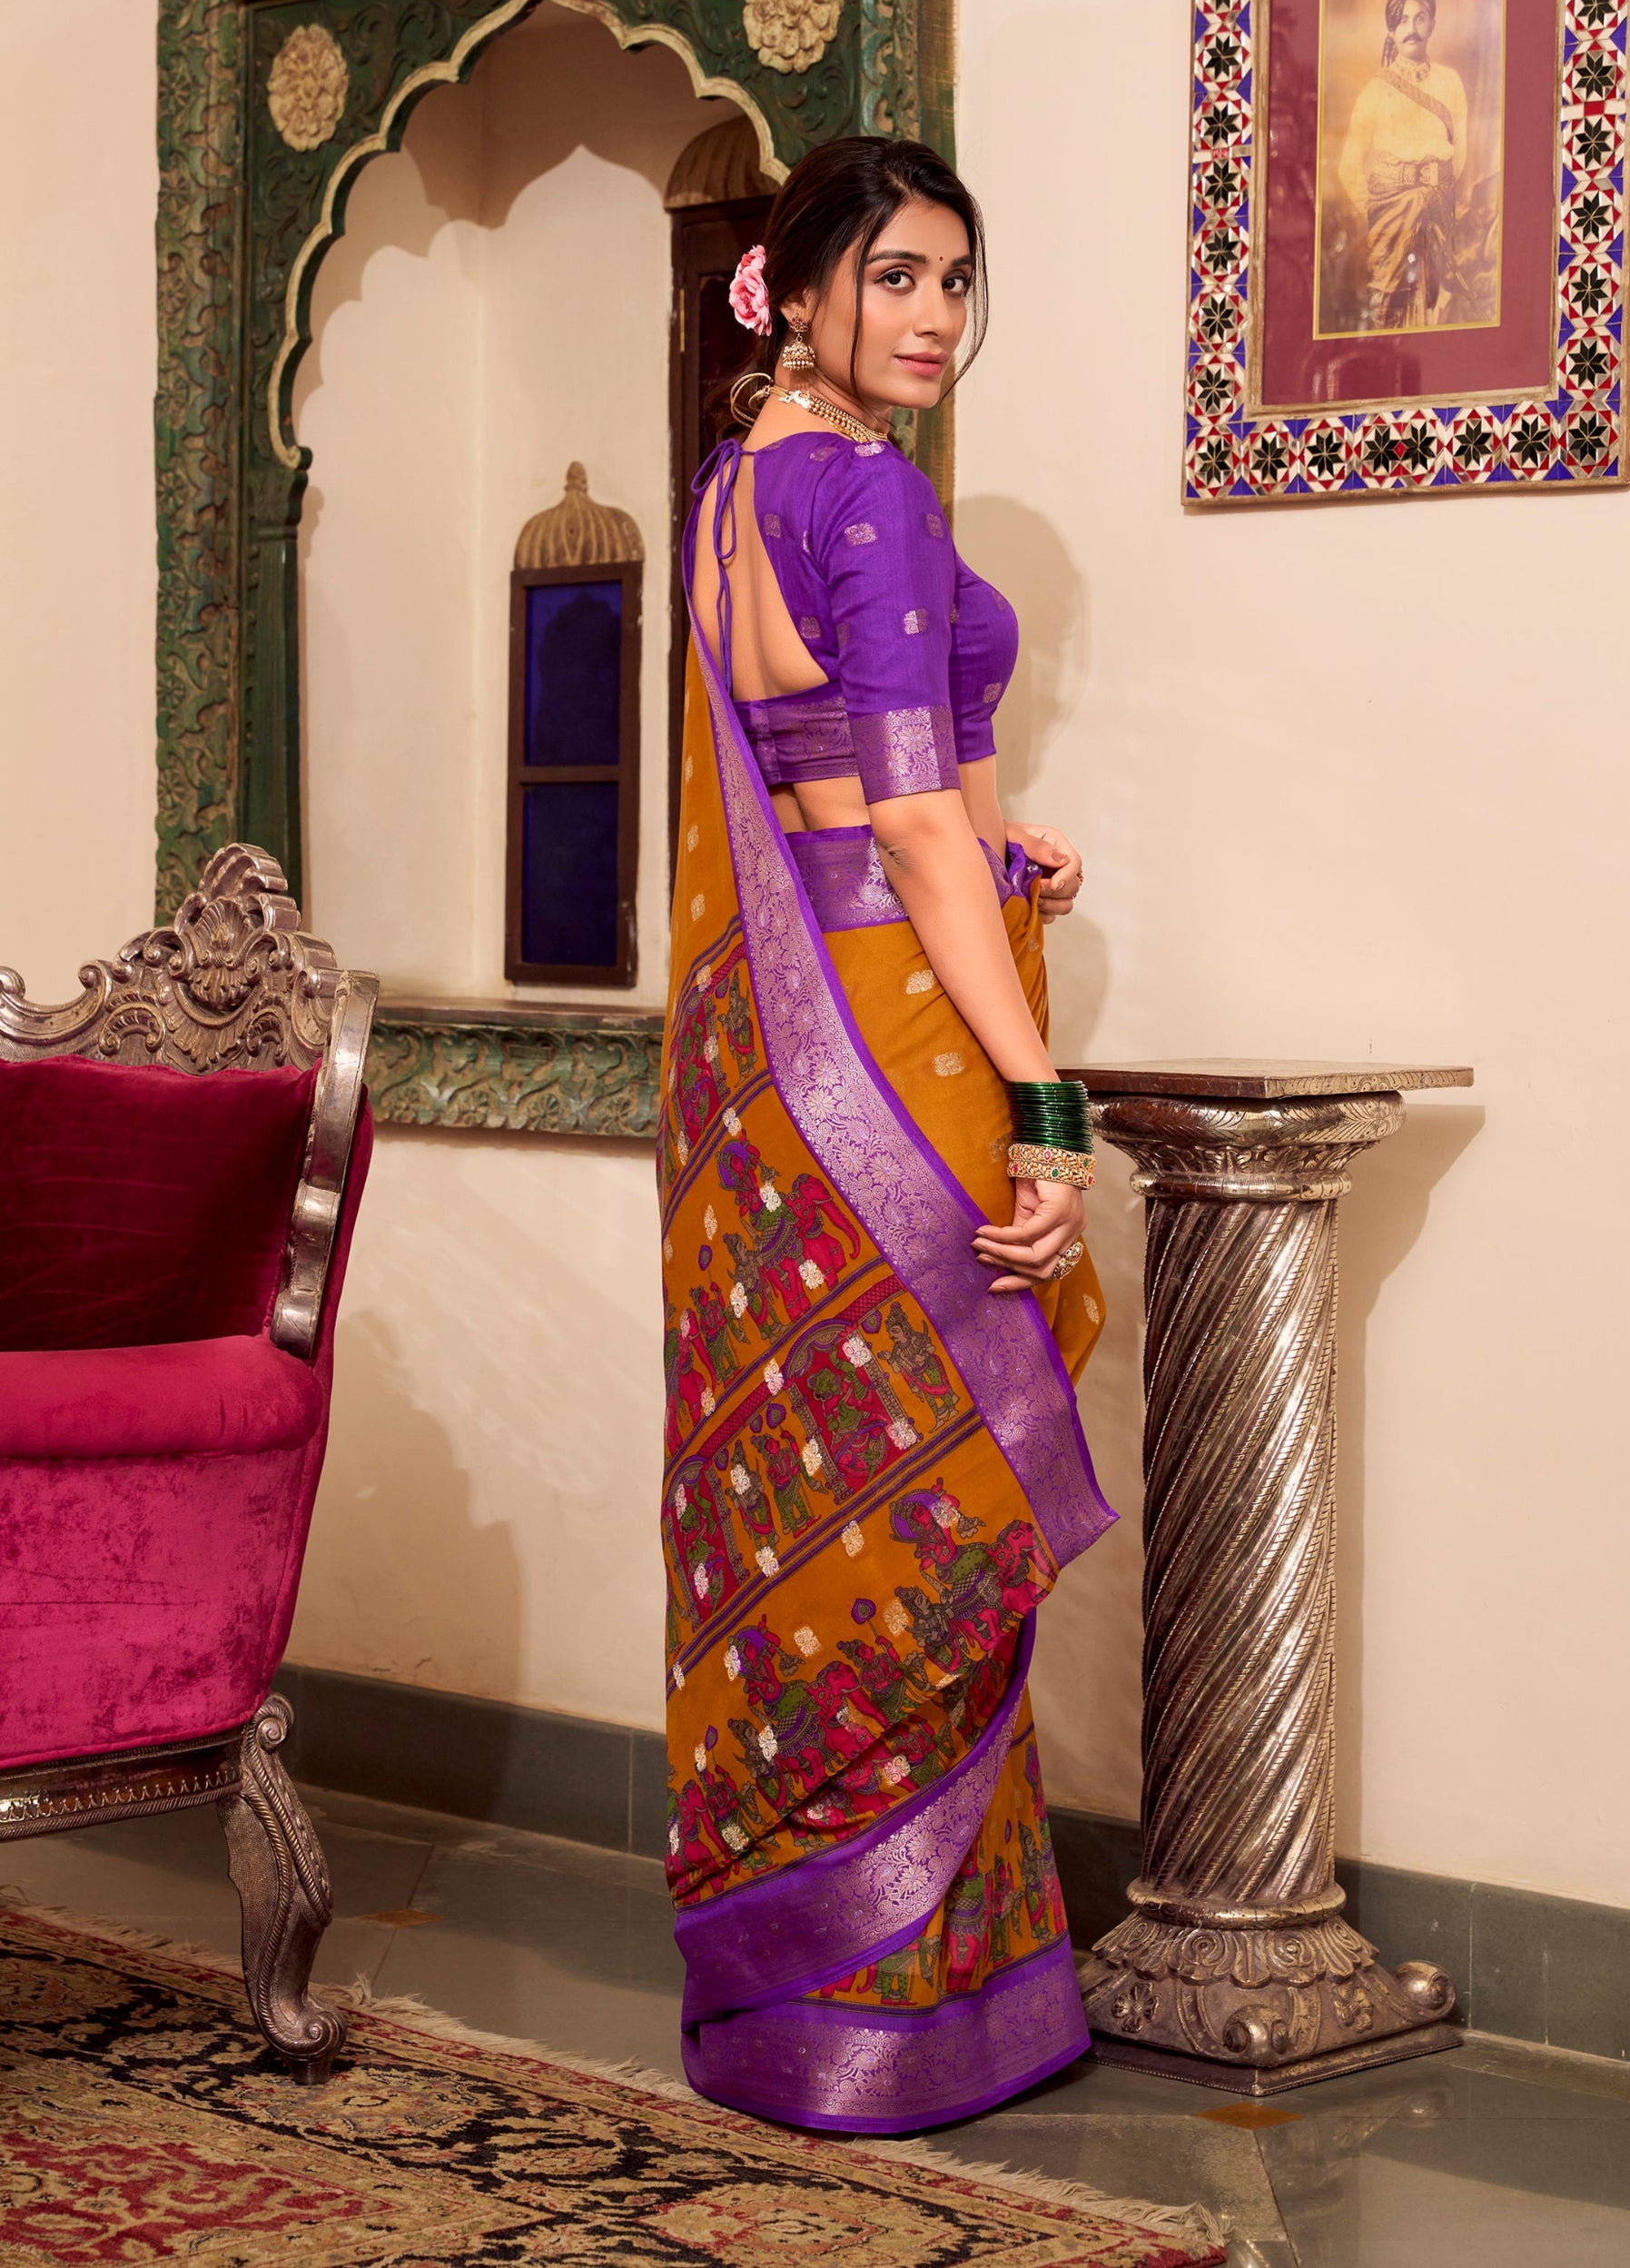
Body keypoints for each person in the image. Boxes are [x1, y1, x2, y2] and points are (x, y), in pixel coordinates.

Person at [658, 134, 1115, 2133]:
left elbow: (832, 781)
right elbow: (912, 822)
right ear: (797, 284)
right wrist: (1043, 1099)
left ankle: (793, 2000)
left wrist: (1001, 849)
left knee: (824, 1482)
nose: (934, 316)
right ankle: (905, 2009)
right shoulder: (870, 494)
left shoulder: (727, 489)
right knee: (932, 1494)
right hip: (898, 1043)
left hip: (769, 1055)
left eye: (955, 279)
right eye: (897, 276)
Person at [1337, 0, 1467, 330]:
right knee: (1391, 313)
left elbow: (1461, 153)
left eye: (1420, 18)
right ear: (1391, 30)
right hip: (1390, 219)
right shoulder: (1375, 91)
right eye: (1403, 21)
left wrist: (1437, 192)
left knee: (1437, 306)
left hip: (1439, 211)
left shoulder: (1450, 83)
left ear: (1433, 23)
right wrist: (1379, 212)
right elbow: (1348, 166)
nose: (1412, 29)